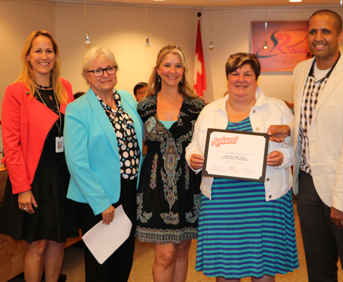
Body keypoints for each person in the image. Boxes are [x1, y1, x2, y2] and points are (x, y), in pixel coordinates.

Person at [268, 10, 343, 281]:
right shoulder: (300, 70)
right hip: (306, 184)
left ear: (340, 36)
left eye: (326, 31)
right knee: (318, 265)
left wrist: (342, 201)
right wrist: (290, 129)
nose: (318, 38)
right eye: (313, 32)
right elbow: (311, 122)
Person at [186, 52, 299, 282]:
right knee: (226, 268)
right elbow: (194, 146)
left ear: (257, 78)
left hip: (266, 200)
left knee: (264, 266)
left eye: (248, 73)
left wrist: (283, 157)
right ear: (227, 78)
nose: (241, 79)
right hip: (221, 202)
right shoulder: (210, 111)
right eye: (235, 73)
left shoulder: (278, 109)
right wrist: (194, 158)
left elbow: (296, 147)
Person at [0, 30, 78, 282]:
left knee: (58, 241)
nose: (44, 56)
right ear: (28, 56)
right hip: (34, 178)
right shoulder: (16, 91)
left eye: (49, 50)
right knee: (38, 245)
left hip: (62, 176)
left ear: (55, 55)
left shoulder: (64, 87)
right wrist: (22, 188)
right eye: (38, 50)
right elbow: (11, 144)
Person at [64, 47, 143, 282]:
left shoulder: (128, 99)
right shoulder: (77, 109)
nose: (104, 73)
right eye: (97, 70)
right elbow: (77, 162)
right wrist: (102, 203)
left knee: (125, 256)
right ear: (86, 75)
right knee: (101, 261)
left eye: (109, 68)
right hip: (98, 198)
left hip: (129, 191)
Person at [135, 45, 204, 282]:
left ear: (184, 70)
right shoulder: (144, 106)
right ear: (158, 69)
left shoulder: (198, 106)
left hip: (188, 185)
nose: (172, 70)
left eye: (177, 65)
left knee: (182, 250)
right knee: (165, 255)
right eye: (167, 65)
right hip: (155, 188)